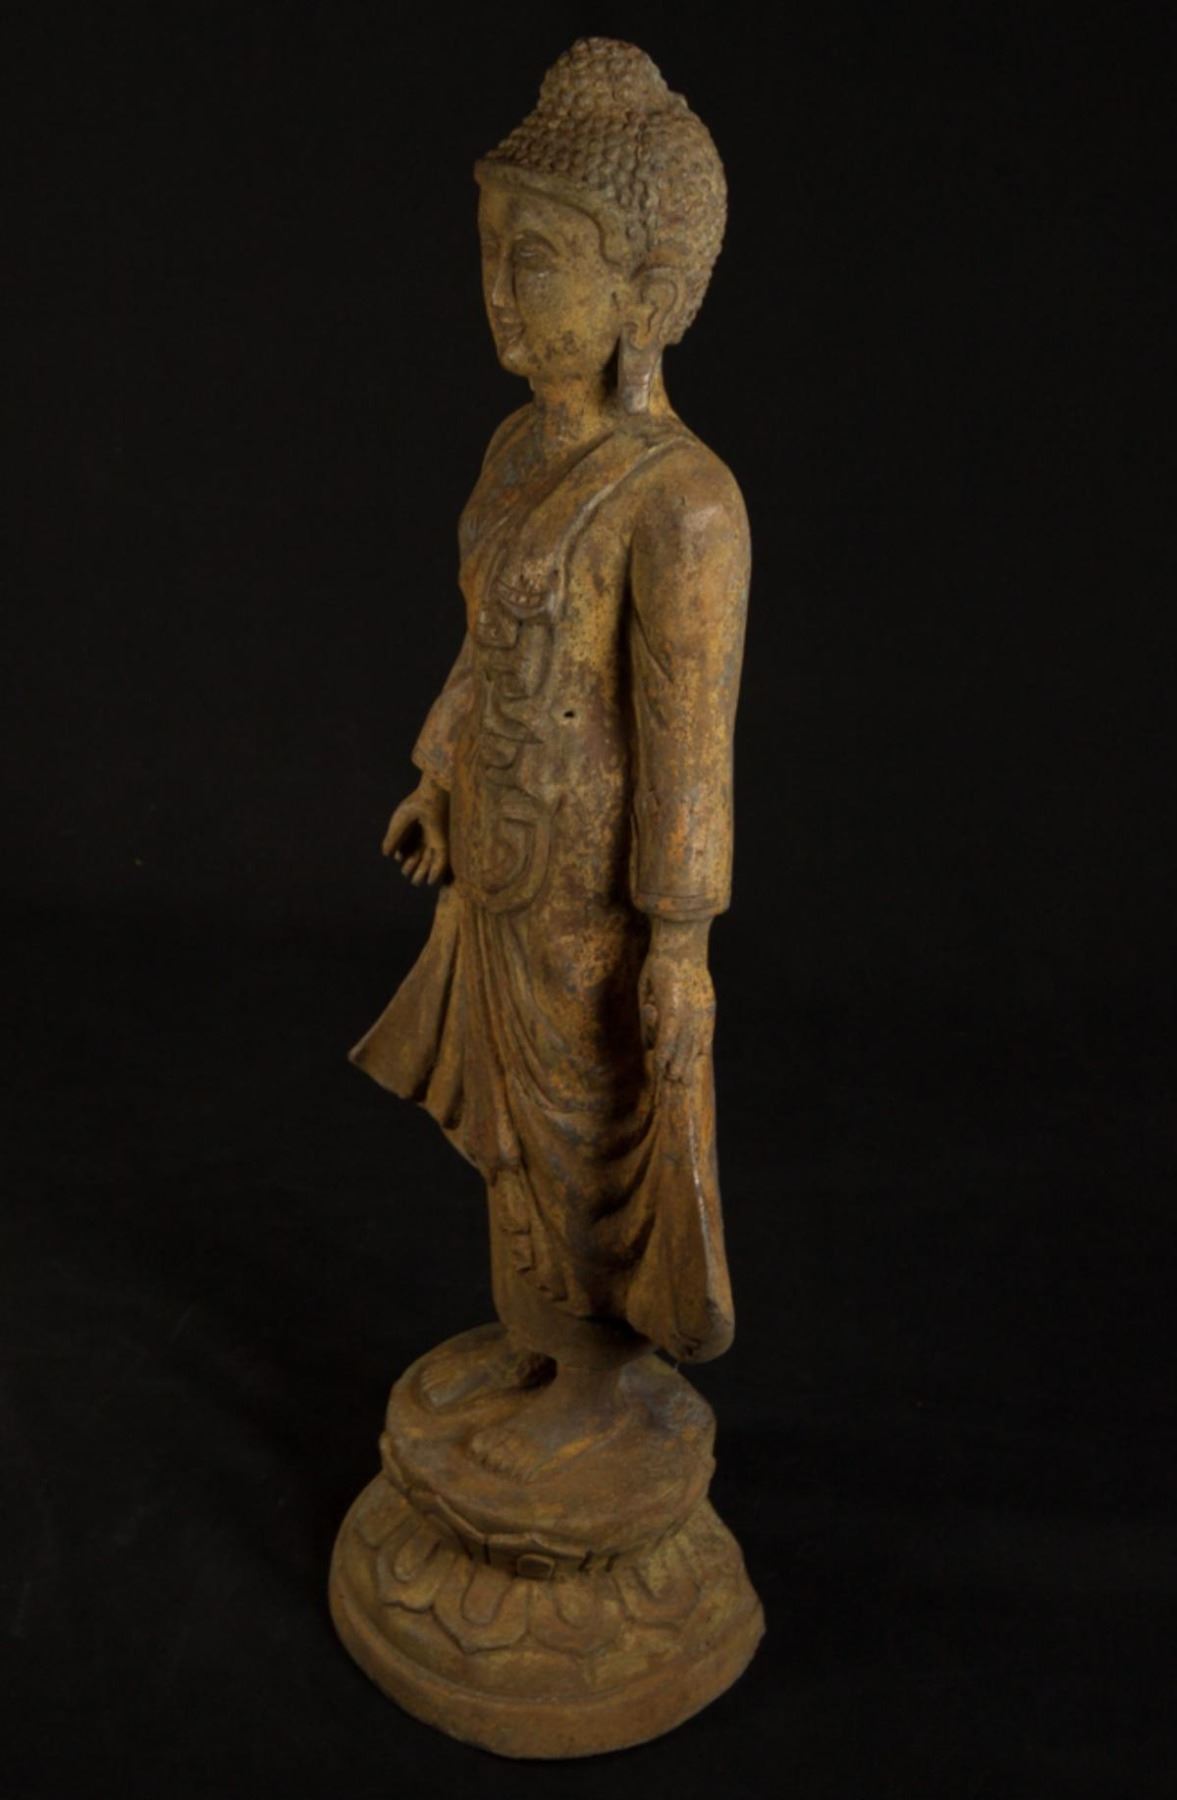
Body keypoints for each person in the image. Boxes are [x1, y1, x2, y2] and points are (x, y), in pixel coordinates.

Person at [349, 38, 750, 1481]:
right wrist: (436, 770)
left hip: (595, 893)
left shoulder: (683, 502)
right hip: (498, 862)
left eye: (536, 262)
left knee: (587, 1125)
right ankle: (534, 1346)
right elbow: (489, 637)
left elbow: (690, 749)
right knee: (511, 1135)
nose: (501, 293)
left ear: (646, 292)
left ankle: (592, 1379)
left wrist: (680, 945)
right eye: (492, 256)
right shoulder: (515, 452)